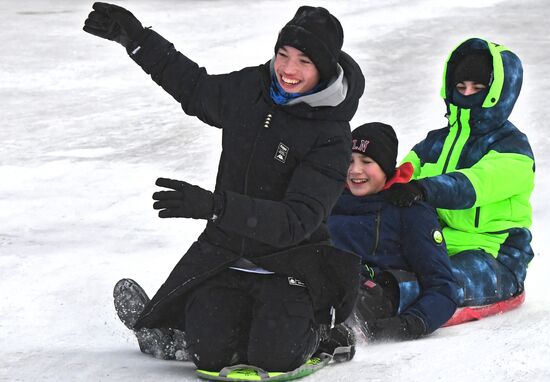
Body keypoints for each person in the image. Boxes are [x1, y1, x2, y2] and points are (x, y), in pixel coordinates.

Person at [83, 3, 365, 372]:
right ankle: (184, 332)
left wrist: (216, 208)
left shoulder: (330, 134)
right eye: (283, 54)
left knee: (274, 356)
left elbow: (296, 220)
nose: (288, 70)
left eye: (304, 62)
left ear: (324, 69)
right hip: (227, 254)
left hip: (291, 264)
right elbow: (196, 88)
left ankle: (324, 333)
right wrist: (137, 40)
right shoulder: (252, 89)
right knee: (210, 354)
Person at [384, 37, 535, 308]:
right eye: (460, 86)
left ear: (497, 92)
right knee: (371, 262)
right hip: (433, 242)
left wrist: (424, 189)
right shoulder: (434, 143)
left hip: (493, 257)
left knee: (435, 283)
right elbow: (402, 176)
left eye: (476, 87)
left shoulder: (513, 149)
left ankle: (372, 306)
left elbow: (474, 184)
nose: (466, 94)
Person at [328, 122, 459, 341]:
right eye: (349, 161)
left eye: (367, 162)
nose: (355, 170)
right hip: (324, 285)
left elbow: (443, 287)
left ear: (386, 168)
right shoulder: (329, 200)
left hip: (370, 297)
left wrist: (410, 324)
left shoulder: (409, 212)